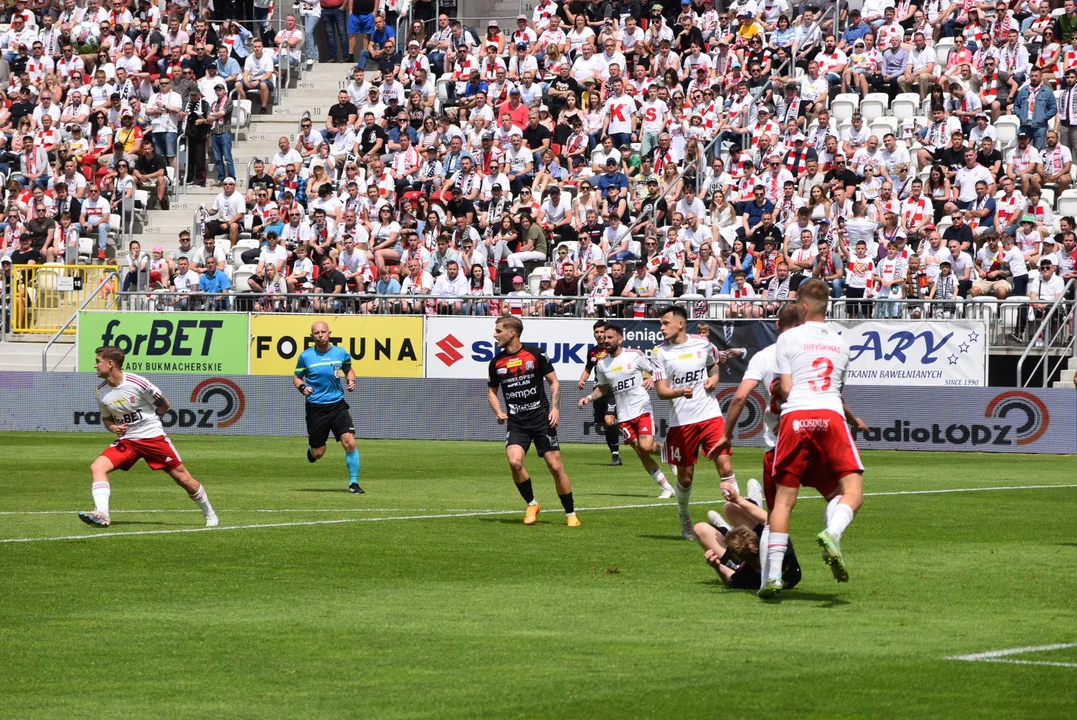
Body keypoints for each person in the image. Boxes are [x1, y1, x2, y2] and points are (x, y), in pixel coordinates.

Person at [760, 279, 866, 599]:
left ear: (803, 307)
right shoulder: (842, 343)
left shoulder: (788, 337)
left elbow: (787, 388)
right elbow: (837, 390)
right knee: (852, 491)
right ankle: (833, 532)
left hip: (796, 417)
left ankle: (774, 577)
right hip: (830, 416)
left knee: (783, 502)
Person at [78, 346, 218, 529]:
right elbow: (107, 419)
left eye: (98, 361)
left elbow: (163, 405)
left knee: (184, 480)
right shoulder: (100, 391)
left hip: (152, 438)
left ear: (110, 364)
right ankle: (102, 514)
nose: (95, 365)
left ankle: (210, 514)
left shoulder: (138, 383)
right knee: (97, 467)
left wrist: (149, 423)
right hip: (127, 441)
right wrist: (114, 427)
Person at [651, 305, 739, 540]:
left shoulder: (703, 343)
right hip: (681, 423)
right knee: (686, 478)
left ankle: (740, 524)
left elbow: (714, 364)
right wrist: (679, 392)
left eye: (665, 323)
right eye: (660, 324)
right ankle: (683, 515)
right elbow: (660, 391)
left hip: (710, 416)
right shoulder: (659, 353)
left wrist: (714, 378)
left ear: (680, 324)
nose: (661, 328)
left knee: (726, 467)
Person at [487, 315, 579, 527]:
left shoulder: (536, 354)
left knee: (555, 466)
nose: (495, 334)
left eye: (498, 330)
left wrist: (555, 408)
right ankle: (532, 503)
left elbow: (554, 382)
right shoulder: (496, 362)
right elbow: (491, 392)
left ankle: (570, 513)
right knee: (514, 461)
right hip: (517, 423)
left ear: (512, 333)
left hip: (541, 420)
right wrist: (498, 411)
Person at [579, 324, 675, 498]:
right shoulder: (602, 364)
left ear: (619, 339)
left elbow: (656, 371)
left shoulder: (634, 355)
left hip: (641, 407)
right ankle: (666, 488)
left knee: (645, 446)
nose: (606, 340)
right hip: (623, 415)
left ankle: (669, 454)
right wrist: (589, 398)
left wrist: (653, 378)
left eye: (610, 337)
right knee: (640, 452)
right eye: (604, 338)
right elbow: (603, 388)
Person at [692, 479, 802, 591]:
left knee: (700, 528)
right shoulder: (780, 548)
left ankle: (726, 531)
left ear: (736, 555)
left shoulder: (745, 578)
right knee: (730, 508)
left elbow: (729, 579)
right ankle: (750, 507)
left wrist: (717, 566)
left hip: (741, 565)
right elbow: (771, 519)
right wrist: (738, 500)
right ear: (756, 537)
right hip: (784, 573)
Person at [294, 321, 363, 493]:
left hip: (338, 406)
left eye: (323, 331)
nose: (320, 335)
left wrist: (351, 380)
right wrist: (303, 387)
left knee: (349, 442)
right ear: (312, 336)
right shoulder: (306, 356)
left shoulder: (340, 353)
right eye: (317, 332)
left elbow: (349, 370)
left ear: (329, 333)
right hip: (316, 408)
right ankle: (312, 450)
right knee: (319, 452)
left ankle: (353, 483)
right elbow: (296, 377)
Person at [577, 321, 621, 466]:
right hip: (598, 390)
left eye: (602, 332)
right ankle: (615, 453)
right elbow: (588, 368)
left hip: (611, 390)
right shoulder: (592, 352)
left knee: (609, 420)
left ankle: (616, 454)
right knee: (604, 424)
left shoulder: (614, 350)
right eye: (597, 332)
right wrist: (582, 380)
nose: (599, 335)